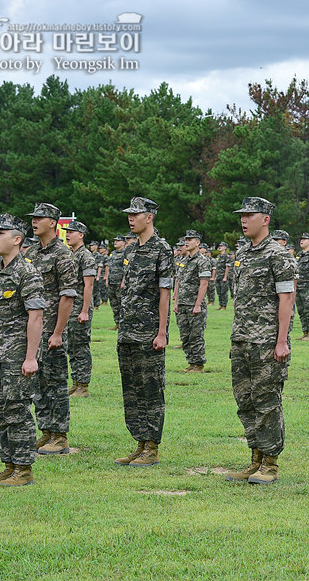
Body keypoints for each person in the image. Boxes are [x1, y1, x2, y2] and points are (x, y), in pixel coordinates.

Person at [223, 197, 295, 485]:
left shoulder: (278, 255)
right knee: (245, 401)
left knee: (267, 402)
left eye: (250, 215)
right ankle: (255, 458)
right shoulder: (243, 253)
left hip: (266, 341)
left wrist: (281, 341)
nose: (243, 220)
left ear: (265, 219)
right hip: (242, 339)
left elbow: (286, 299)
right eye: (242, 215)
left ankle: (270, 463)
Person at [0, 214, 44, 486]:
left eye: (0, 233)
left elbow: (36, 316)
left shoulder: (27, 271)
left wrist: (30, 358)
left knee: (17, 410)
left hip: (16, 356)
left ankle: (24, 468)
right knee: (0, 411)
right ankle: (9, 463)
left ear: (17, 239)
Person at [114, 197, 173, 467]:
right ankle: (139, 442)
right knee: (132, 389)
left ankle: (152, 446)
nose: (131, 218)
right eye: (129, 214)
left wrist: (161, 332)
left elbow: (164, 293)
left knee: (151, 389)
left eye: (136, 214)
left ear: (150, 217)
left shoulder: (161, 249)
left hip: (149, 333)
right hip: (128, 332)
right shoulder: (130, 250)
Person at [25, 203, 78, 456]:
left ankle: (60, 436)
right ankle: (45, 430)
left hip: (52, 330)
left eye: (39, 218)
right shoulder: (32, 253)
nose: (34, 222)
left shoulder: (63, 254)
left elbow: (67, 297)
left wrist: (58, 332)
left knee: (56, 383)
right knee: (38, 384)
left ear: (53, 222)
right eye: (33, 218)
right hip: (35, 330)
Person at [64, 221, 97, 399]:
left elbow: (88, 285)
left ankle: (83, 386)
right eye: (67, 232)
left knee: (81, 346)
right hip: (69, 307)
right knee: (72, 345)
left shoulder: (86, 256)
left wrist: (84, 310)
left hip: (79, 307)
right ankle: (76, 383)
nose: (68, 235)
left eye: (72, 232)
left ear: (81, 235)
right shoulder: (70, 254)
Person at [173, 230, 211, 373]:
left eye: (190, 239)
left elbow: (204, 284)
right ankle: (191, 362)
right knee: (185, 335)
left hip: (194, 304)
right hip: (182, 303)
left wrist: (198, 304)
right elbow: (178, 280)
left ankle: (198, 364)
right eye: (186, 239)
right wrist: (176, 301)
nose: (186, 242)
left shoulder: (202, 261)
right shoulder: (183, 261)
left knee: (196, 335)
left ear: (198, 242)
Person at [104, 235, 126, 330]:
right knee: (114, 303)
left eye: (118, 241)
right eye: (115, 240)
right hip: (112, 282)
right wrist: (107, 279)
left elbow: (126, 269)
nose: (115, 242)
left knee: (121, 303)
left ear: (123, 243)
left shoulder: (125, 253)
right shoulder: (112, 253)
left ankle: (123, 324)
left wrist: (123, 281)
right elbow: (108, 266)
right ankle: (117, 323)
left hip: (119, 282)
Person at [215, 242, 231, 310]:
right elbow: (216, 267)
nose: (220, 247)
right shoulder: (218, 256)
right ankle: (220, 305)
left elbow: (227, 267)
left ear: (225, 248)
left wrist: (225, 277)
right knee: (219, 291)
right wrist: (215, 276)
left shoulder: (226, 256)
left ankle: (224, 306)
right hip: (218, 276)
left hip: (223, 276)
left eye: (221, 246)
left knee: (224, 291)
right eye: (219, 246)